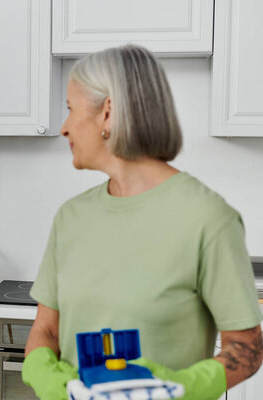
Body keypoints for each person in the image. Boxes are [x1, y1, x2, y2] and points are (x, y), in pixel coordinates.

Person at [22, 45, 263, 400]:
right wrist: (58, 386)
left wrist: (175, 391)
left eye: (71, 110)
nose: (64, 127)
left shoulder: (209, 219)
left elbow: (247, 347)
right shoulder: (71, 218)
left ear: (107, 113)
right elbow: (46, 331)